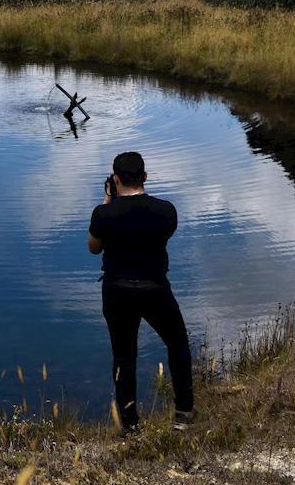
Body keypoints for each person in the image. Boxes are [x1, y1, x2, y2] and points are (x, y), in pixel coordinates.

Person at [87, 151, 194, 432]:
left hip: (117, 291)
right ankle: (183, 413)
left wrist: (108, 201)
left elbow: (94, 247)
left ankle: (130, 425)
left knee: (124, 358)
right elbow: (163, 236)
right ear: (145, 177)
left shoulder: (103, 214)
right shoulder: (166, 211)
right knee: (178, 345)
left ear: (116, 179)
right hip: (155, 288)